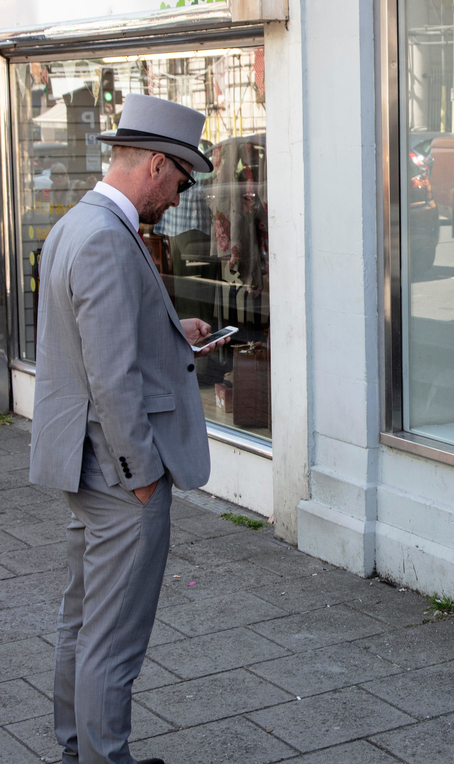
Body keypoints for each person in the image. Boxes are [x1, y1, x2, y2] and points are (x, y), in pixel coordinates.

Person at [30, 93, 228, 764]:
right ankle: (102, 757)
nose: (177, 198)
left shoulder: (74, 227)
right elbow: (111, 378)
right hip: (117, 472)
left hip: (81, 462)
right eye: (178, 180)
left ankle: (78, 751)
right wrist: (142, 477)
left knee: (82, 623)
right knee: (112, 642)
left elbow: (95, 345)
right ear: (152, 164)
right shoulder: (108, 240)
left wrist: (174, 333)